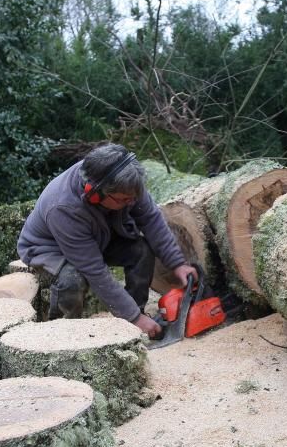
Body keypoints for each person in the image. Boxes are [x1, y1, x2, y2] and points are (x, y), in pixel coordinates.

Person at [17, 144, 198, 338]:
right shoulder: (63, 208)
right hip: (49, 248)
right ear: (94, 194)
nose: (131, 202)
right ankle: (62, 333)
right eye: (124, 199)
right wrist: (133, 317)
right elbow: (94, 270)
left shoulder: (125, 181)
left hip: (96, 235)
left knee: (141, 250)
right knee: (72, 279)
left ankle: (133, 319)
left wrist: (177, 264)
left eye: (133, 198)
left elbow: (151, 218)